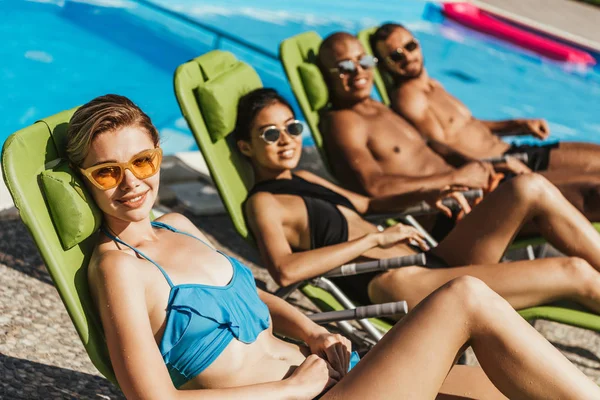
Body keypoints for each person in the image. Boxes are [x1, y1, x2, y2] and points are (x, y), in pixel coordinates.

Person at [68, 94, 600, 399]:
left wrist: (314, 331)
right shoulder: (118, 268)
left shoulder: (178, 224)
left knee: (511, 383)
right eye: (107, 172)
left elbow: (254, 293)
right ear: (85, 181)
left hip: (340, 375)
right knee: (467, 297)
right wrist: (295, 389)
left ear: (159, 156)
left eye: (142, 162)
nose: (131, 182)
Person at [239, 87, 600, 313]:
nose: (286, 139)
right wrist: (375, 239)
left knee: (528, 187)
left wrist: (429, 194)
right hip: (399, 284)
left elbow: (365, 205)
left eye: (292, 127)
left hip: (429, 262)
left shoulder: (302, 176)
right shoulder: (264, 202)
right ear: (245, 146)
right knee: (574, 271)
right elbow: (285, 270)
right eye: (270, 134)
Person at [317, 32, 600, 221]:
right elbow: (375, 188)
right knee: (592, 194)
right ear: (327, 76)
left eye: (363, 60)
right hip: (452, 211)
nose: (358, 72)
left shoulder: (377, 107)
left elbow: (432, 146)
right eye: (344, 67)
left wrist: (488, 167)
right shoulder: (343, 123)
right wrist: (456, 178)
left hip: (479, 187)